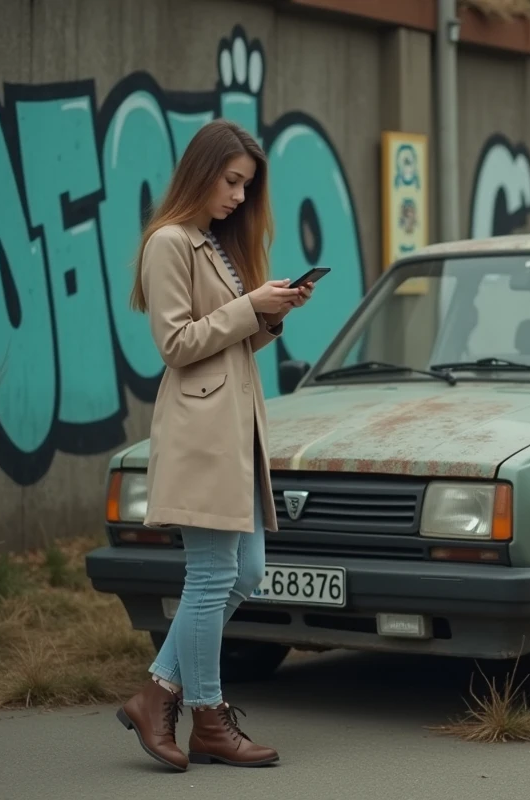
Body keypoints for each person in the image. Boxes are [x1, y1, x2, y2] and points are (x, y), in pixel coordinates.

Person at [115, 119, 314, 771]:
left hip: (234, 432)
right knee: (210, 576)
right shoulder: (169, 242)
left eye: (246, 186)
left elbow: (228, 340)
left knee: (245, 571)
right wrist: (249, 305)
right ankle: (208, 716)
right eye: (231, 182)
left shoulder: (214, 243)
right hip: (202, 433)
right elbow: (176, 344)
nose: (238, 197)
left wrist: (271, 314)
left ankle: (157, 692)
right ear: (202, 172)